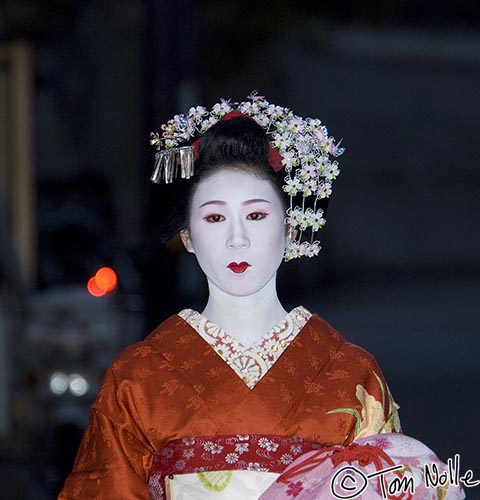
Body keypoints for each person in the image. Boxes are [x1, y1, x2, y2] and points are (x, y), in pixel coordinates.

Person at [59, 94, 463, 499]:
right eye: (215, 218)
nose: (237, 239)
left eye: (256, 215)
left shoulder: (351, 373)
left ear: (289, 230)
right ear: (188, 236)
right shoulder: (137, 376)